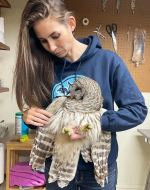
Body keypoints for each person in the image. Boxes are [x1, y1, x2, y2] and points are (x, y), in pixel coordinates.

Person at [13, 0, 148, 189]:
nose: (51, 47)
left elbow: (137, 111)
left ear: (71, 24)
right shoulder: (44, 67)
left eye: (55, 36)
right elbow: (47, 117)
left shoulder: (108, 61)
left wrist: (92, 124)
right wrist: (30, 116)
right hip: (57, 164)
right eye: (43, 40)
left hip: (98, 169)